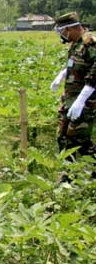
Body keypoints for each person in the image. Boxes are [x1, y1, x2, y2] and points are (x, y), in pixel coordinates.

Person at [51, 12, 96, 165]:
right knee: (62, 137)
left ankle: (85, 178)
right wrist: (62, 75)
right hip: (70, 99)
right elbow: (78, 65)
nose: (62, 35)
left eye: (63, 31)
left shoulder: (90, 43)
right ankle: (67, 176)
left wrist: (81, 100)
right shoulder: (76, 44)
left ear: (71, 29)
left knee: (79, 141)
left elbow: (94, 72)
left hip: (86, 102)